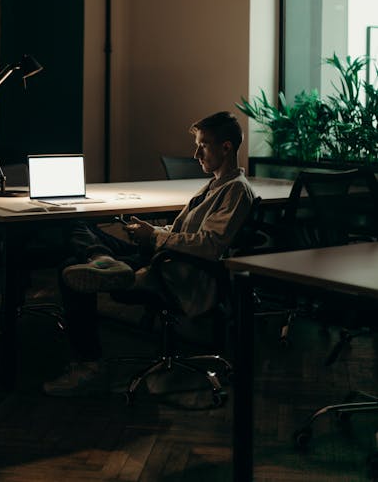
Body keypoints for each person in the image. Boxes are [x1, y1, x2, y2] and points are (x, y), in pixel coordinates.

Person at [43, 110, 256, 396]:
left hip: (175, 270)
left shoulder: (236, 192)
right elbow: (189, 231)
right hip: (164, 254)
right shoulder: (215, 186)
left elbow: (209, 245)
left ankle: (88, 363)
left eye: (202, 145)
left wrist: (155, 236)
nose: (196, 155)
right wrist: (150, 231)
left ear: (226, 147)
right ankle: (100, 258)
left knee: (69, 264)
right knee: (77, 222)